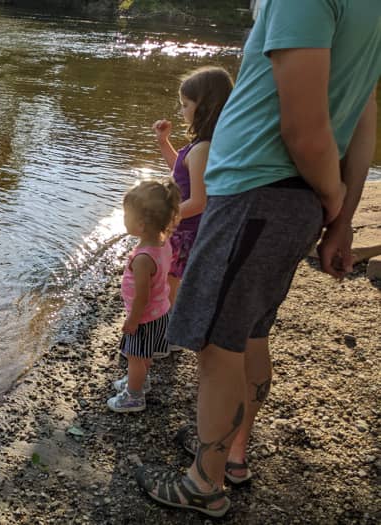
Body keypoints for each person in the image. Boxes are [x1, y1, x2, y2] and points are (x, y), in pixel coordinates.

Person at [135, 0, 380, 518]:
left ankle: (206, 482)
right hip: (290, 199)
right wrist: (341, 214)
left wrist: (335, 202)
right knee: (250, 332)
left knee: (217, 345)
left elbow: (303, 129)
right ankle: (233, 456)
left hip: (257, 192)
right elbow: (362, 114)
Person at [152, 66, 233, 308]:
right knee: (168, 282)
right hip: (181, 227)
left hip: (185, 231)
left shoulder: (202, 149)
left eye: (186, 104)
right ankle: (167, 332)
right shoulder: (199, 147)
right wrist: (163, 142)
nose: (181, 110)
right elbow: (180, 170)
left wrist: (163, 218)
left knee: (170, 285)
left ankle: (168, 336)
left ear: (205, 107)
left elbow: (199, 201)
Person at [106, 179, 180, 413]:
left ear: (141, 223)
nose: (123, 219)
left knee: (135, 356)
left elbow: (142, 296)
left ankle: (134, 396)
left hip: (144, 318)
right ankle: (139, 381)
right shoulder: (162, 243)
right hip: (160, 312)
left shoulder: (142, 259)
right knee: (144, 354)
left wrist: (133, 320)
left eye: (126, 215)